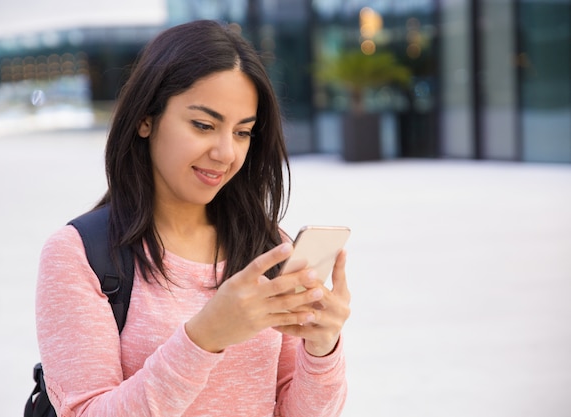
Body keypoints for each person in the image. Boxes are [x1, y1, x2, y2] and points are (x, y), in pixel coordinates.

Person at [35, 19, 350, 417]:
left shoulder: (266, 247)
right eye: (204, 125)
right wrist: (204, 337)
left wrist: (322, 348)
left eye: (242, 132)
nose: (225, 153)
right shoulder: (80, 255)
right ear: (145, 119)